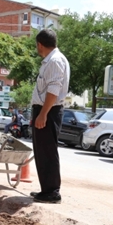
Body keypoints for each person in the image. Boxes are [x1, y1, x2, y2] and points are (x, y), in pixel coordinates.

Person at [30, 29, 70, 204]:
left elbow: (53, 91)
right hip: (45, 110)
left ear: (40, 44)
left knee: (47, 151)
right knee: (42, 151)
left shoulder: (54, 61)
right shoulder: (51, 60)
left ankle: (52, 191)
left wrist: (43, 114)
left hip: (48, 111)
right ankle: (46, 189)